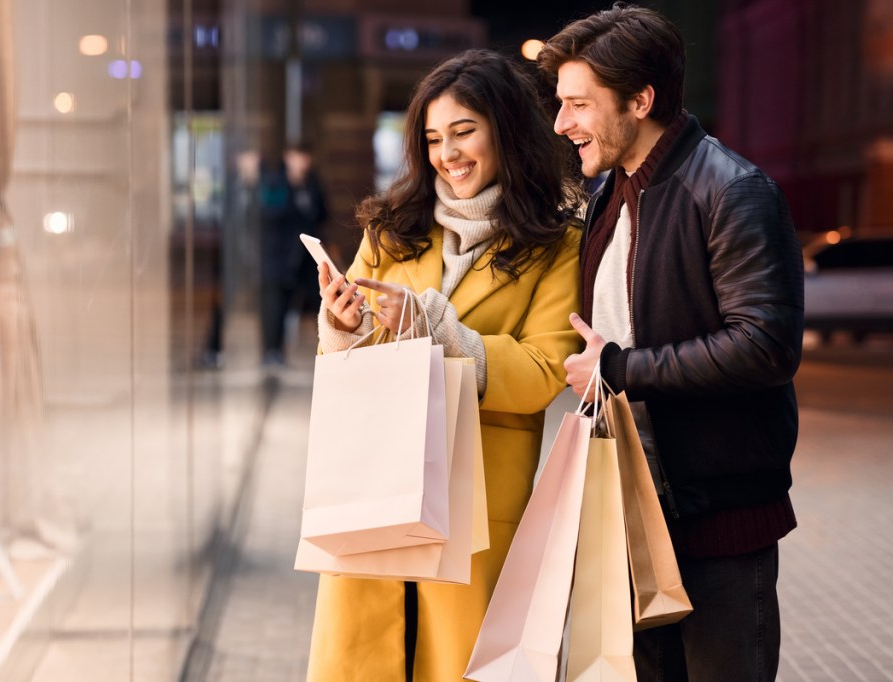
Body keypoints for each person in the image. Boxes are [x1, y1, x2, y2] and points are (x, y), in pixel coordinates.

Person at [538, 4, 804, 681]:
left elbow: (766, 345)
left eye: (577, 104)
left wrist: (622, 367)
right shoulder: (610, 194)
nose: (561, 123)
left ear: (640, 99)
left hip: (716, 516)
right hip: (630, 507)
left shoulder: (733, 190)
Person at [307, 49, 584, 681]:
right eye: (433, 138)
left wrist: (438, 329)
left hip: (477, 497)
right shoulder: (390, 229)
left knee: (462, 661)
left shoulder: (557, 244)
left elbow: (545, 369)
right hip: (376, 485)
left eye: (464, 132)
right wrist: (343, 327)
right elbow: (346, 355)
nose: (447, 154)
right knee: (368, 656)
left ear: (506, 132)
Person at [258, 140, 328, 365]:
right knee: (276, 304)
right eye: (298, 157)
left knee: (319, 301)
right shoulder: (276, 182)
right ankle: (272, 351)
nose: (302, 163)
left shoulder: (312, 183)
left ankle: (329, 345)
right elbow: (270, 213)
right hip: (280, 255)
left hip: (306, 257)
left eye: (305, 158)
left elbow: (322, 213)